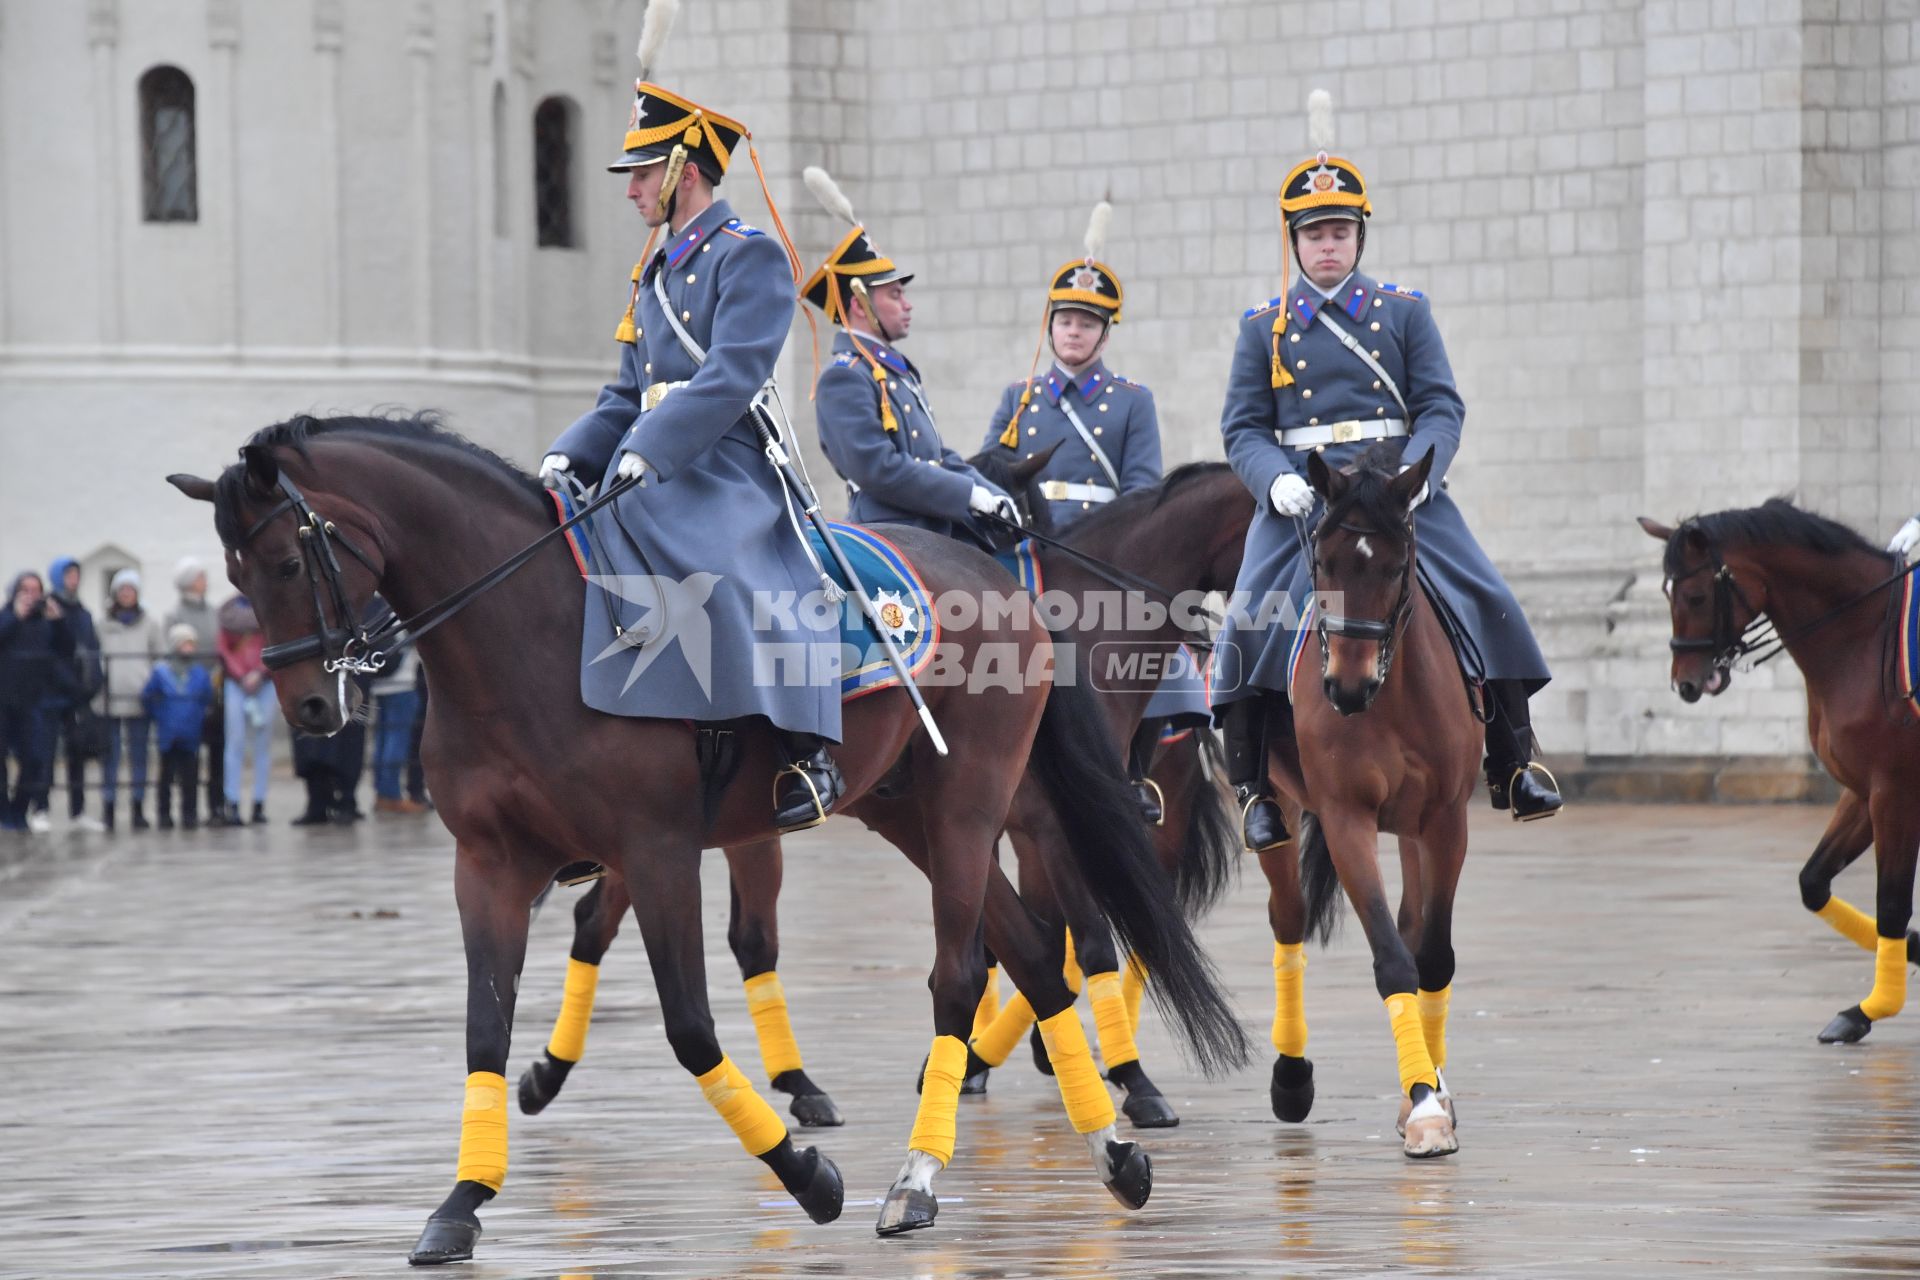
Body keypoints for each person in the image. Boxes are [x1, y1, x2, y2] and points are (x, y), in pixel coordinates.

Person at [1212, 90, 1561, 853]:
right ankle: (1253, 790)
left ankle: (1514, 761)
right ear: (1294, 243)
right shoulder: (1261, 328)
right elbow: (1242, 425)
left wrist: (1421, 473)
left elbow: (1440, 403)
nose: (1327, 247)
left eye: (1339, 231)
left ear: (1359, 237)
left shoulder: (1404, 313)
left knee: (1485, 595)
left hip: (1396, 489)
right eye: (1314, 235)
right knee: (1246, 619)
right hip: (1309, 496)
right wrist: (1274, 479)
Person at [535, 71, 844, 833]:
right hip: (648, 461)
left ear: (685, 170)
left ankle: (810, 747)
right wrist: (570, 455)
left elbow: (734, 374)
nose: (631, 189)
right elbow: (624, 395)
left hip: (724, 463)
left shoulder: (750, 256)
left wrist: (652, 448)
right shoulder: (653, 273)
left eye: (641, 173)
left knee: (732, 577)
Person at [978, 199, 1206, 823]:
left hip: (1101, 555)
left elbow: (1141, 491)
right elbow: (990, 472)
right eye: (1065, 320)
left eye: (1087, 323)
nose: (1073, 332)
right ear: (1049, 327)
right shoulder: (1017, 398)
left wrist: (1099, 541)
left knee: (1163, 653)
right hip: (1030, 550)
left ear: (1106, 333)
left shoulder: (1133, 402)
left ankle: (1135, 771)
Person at [803, 165, 1016, 549]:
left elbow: (935, 456)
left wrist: (987, 492)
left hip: (931, 533)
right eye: (895, 295)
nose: (908, 305)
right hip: (889, 538)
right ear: (859, 303)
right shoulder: (844, 378)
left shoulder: (894, 373)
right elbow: (876, 469)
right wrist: (965, 494)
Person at [0, 572, 73, 832]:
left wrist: (59, 621)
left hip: (34, 701)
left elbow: (67, 649)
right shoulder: (7, 616)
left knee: (35, 758)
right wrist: (15, 616)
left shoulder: (45, 621)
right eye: (26, 589)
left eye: (36, 589)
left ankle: (20, 809)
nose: (32, 595)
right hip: (4, 700)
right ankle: (4, 812)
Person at [98, 568, 162, 832]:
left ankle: (138, 807)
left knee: (139, 755)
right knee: (110, 757)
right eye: (122, 589)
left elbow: (159, 658)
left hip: (140, 699)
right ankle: (109, 807)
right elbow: (95, 657)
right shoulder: (102, 625)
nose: (126, 594)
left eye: (131, 589)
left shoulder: (150, 624)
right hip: (110, 699)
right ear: (115, 593)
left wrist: (150, 688)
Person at [45, 558, 105, 831]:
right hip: (52, 693)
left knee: (78, 752)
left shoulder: (82, 612)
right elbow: (50, 652)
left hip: (79, 694)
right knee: (44, 752)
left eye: (76, 574)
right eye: (68, 574)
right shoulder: (47, 610)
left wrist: (93, 683)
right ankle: (41, 807)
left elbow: (91, 649)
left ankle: (78, 810)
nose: (73, 579)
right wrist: (68, 682)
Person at [167, 557, 227, 825]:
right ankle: (187, 809)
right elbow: (173, 652)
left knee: (217, 751)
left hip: (212, 691)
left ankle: (217, 806)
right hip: (187, 694)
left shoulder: (213, 612)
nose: (205, 582)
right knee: (188, 755)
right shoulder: (174, 614)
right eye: (201, 577)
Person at [142, 624, 216, 830]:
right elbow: (148, 697)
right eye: (184, 643)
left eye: (191, 643)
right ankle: (164, 814)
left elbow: (206, 698)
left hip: (191, 731)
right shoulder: (162, 672)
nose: (188, 648)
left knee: (190, 776)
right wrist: (159, 715)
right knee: (166, 775)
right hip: (168, 731)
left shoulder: (200, 673)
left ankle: (189, 814)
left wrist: (199, 716)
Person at [217, 594, 272, 826]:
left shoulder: (269, 609)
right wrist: (241, 675)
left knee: (262, 745)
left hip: (264, 683)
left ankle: (259, 802)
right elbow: (222, 648)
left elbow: (274, 642)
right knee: (235, 743)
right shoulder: (228, 614)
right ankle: (233, 801)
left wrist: (259, 672)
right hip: (237, 684)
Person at [370, 629, 425, 814]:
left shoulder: (377, 606)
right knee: (397, 738)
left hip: (381, 682)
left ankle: (382, 793)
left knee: (383, 739)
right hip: (403, 681)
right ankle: (391, 795)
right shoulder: (396, 609)